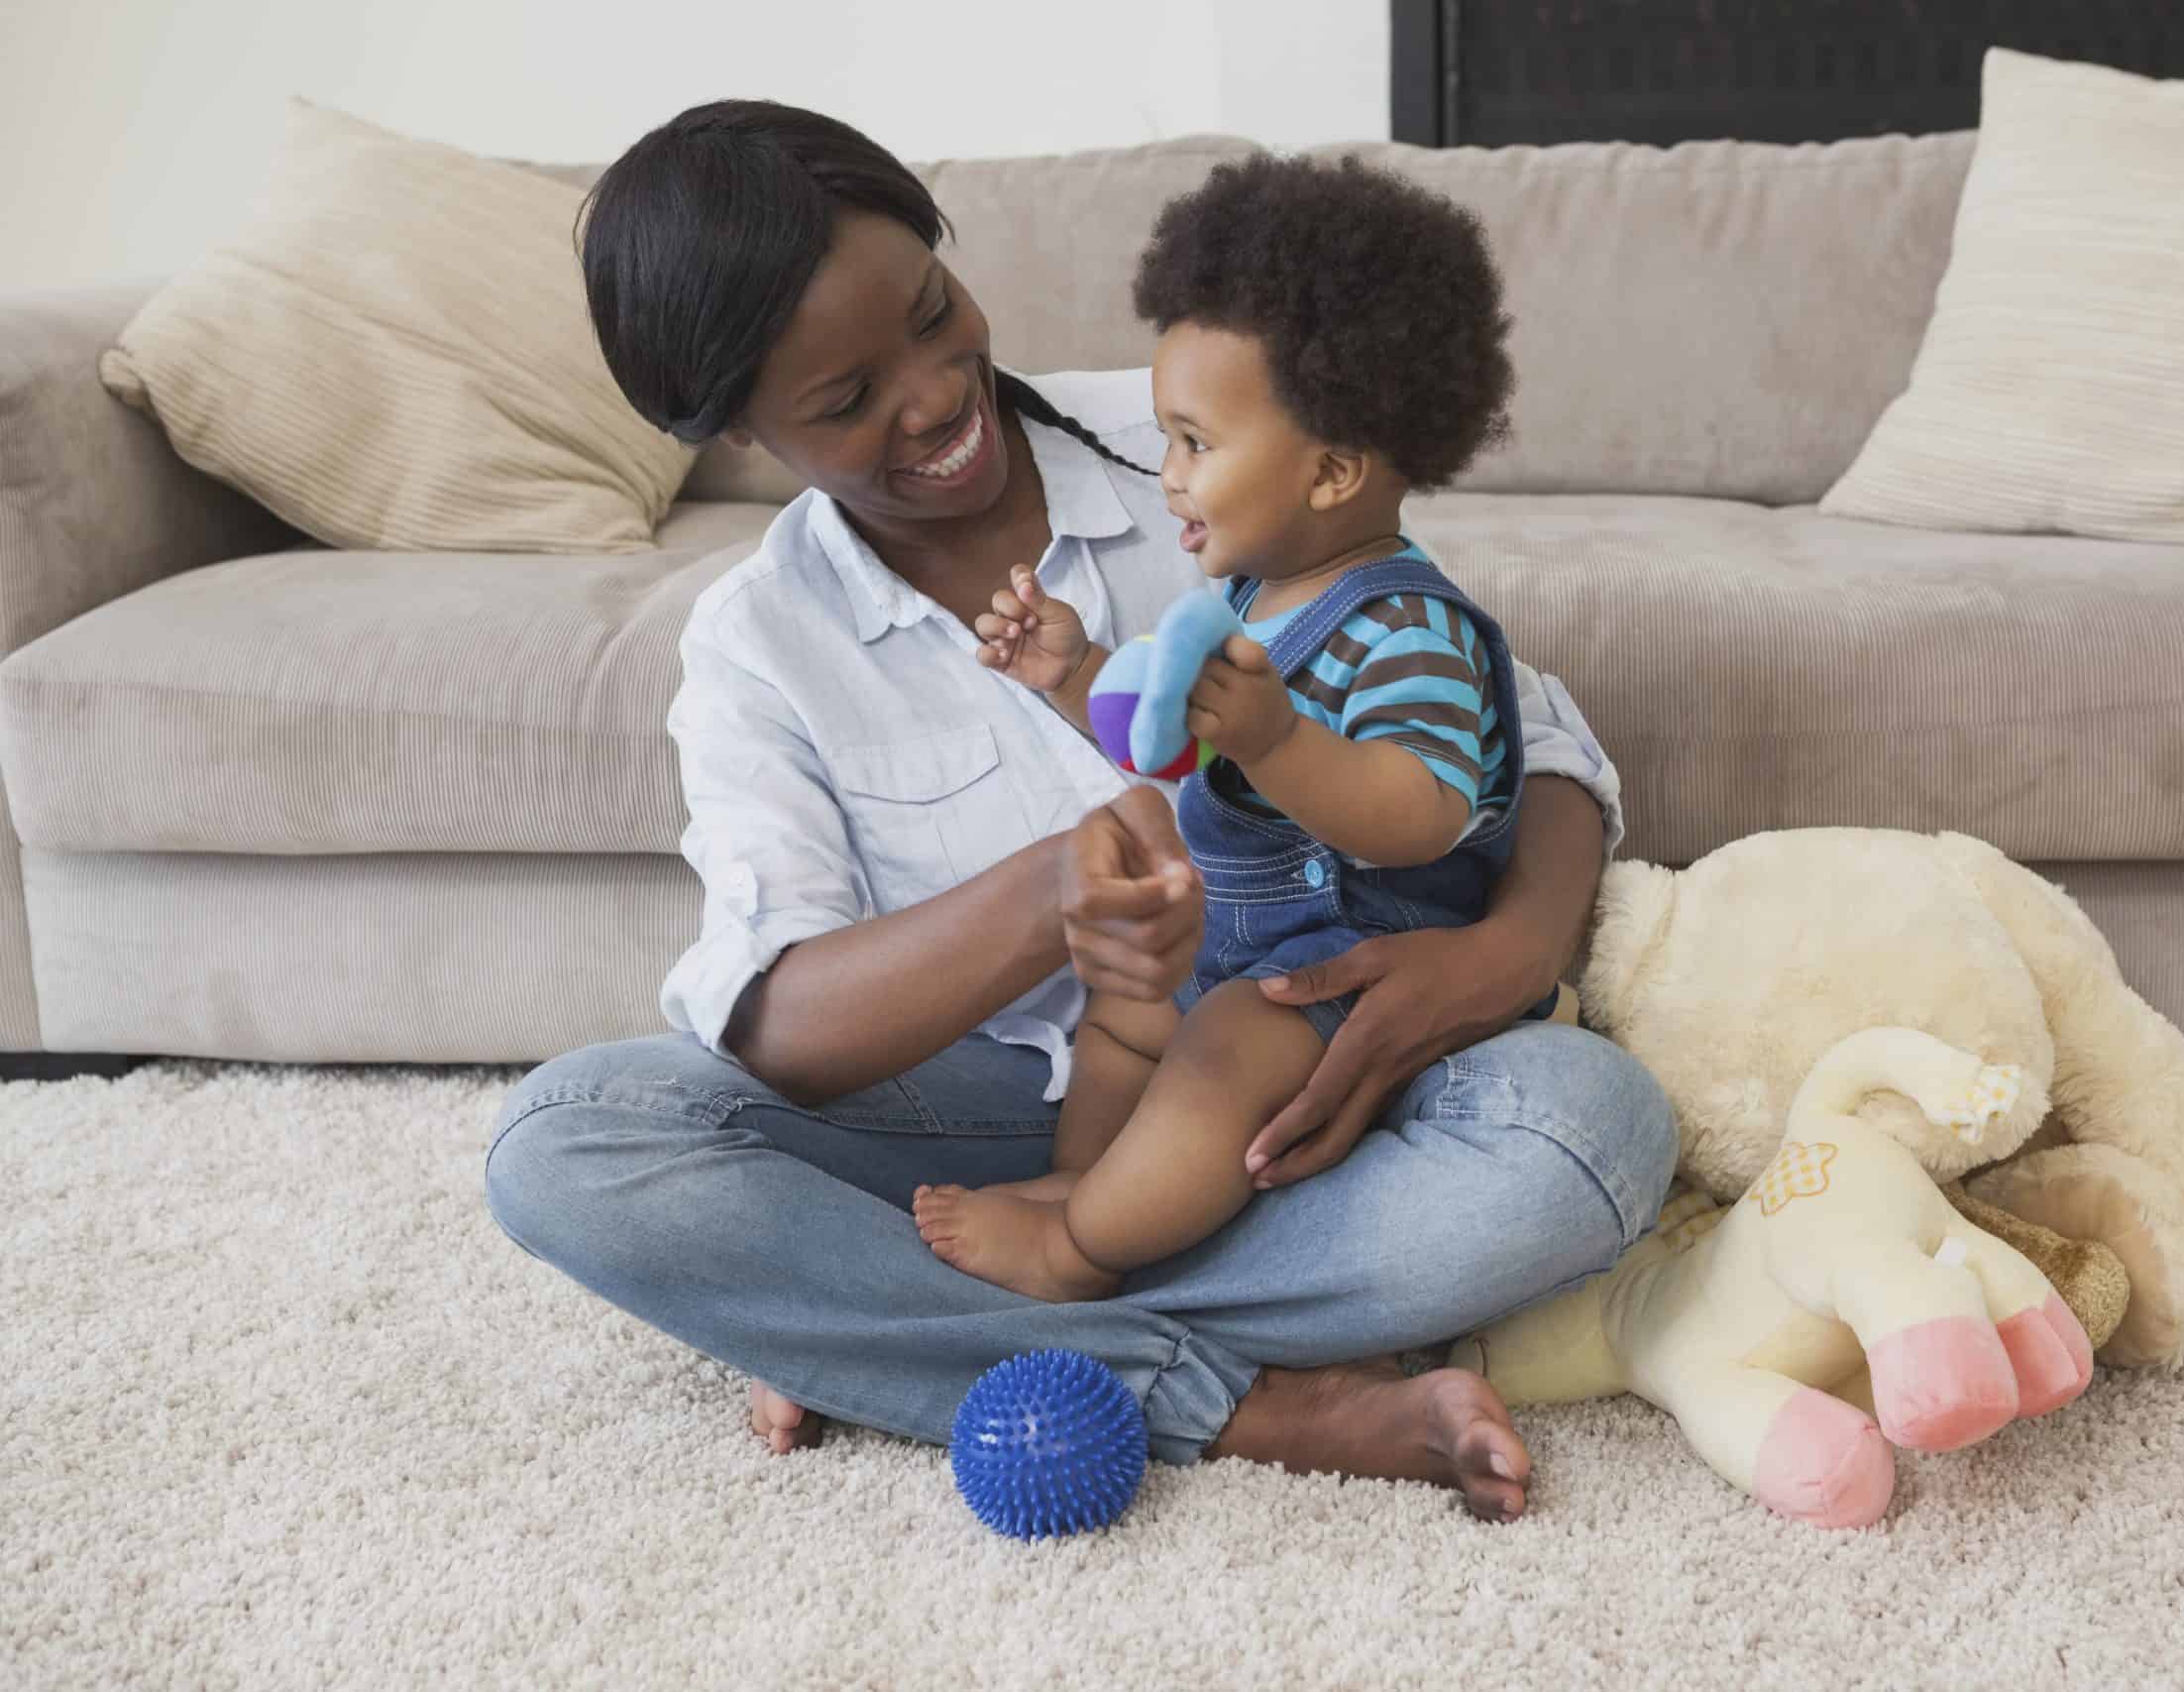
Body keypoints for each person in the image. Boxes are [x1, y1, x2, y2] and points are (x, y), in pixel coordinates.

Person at [481, 100, 1675, 1523]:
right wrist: (1053, 890)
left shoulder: (1200, 428)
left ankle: (889, 1321)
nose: (933, 395)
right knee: (569, 1139)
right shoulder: (757, 642)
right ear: (736, 430)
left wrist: (1504, 951)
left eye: (934, 314)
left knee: (1584, 1136)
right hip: (986, 1117)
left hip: (1293, 1072)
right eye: (848, 399)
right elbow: (782, 1025)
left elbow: (1519, 727)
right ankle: (1237, 1392)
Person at [914, 155, 1560, 1308]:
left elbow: (1421, 814)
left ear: (1332, 473)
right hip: (1239, 940)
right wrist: (1071, 672)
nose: (1166, 476)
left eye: (1194, 444)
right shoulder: (1248, 599)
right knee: (1119, 1013)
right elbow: (1159, 741)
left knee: (1215, 1056)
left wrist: (1278, 743)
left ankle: (1081, 1256)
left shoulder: (1406, 624)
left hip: (1341, 970)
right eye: (1166, 441)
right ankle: (1087, 1188)